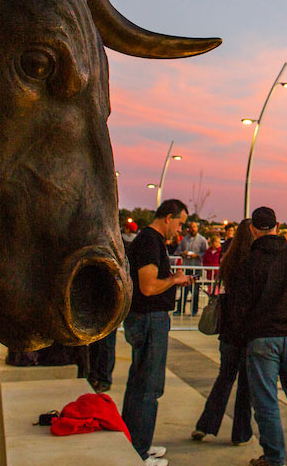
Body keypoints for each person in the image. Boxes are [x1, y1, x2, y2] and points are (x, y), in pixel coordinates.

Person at [241, 206, 287, 466]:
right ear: (277, 226)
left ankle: (275, 457)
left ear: (252, 230)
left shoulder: (250, 261)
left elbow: (243, 303)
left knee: (267, 400)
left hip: (263, 337)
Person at [122, 198, 192, 465]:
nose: (180, 230)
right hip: (150, 320)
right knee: (148, 387)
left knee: (137, 383)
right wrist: (175, 279)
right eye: (179, 223)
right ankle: (139, 451)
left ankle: (134, 442)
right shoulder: (150, 242)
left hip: (144, 318)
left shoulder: (146, 240)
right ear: (168, 218)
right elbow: (149, 286)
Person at [192, 220, 254, 446]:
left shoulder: (229, 258)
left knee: (224, 378)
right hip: (248, 330)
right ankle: (241, 432)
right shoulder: (255, 261)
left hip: (228, 328)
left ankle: (206, 425)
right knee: (246, 385)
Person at [177, 220, 207, 315]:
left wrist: (197, 255)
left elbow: (206, 253)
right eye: (191, 227)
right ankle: (180, 310)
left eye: (194, 227)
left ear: (197, 228)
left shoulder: (202, 240)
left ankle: (194, 311)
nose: (192, 229)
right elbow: (178, 251)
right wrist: (182, 253)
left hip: (196, 268)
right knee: (184, 290)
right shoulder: (184, 239)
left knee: (195, 291)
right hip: (186, 267)